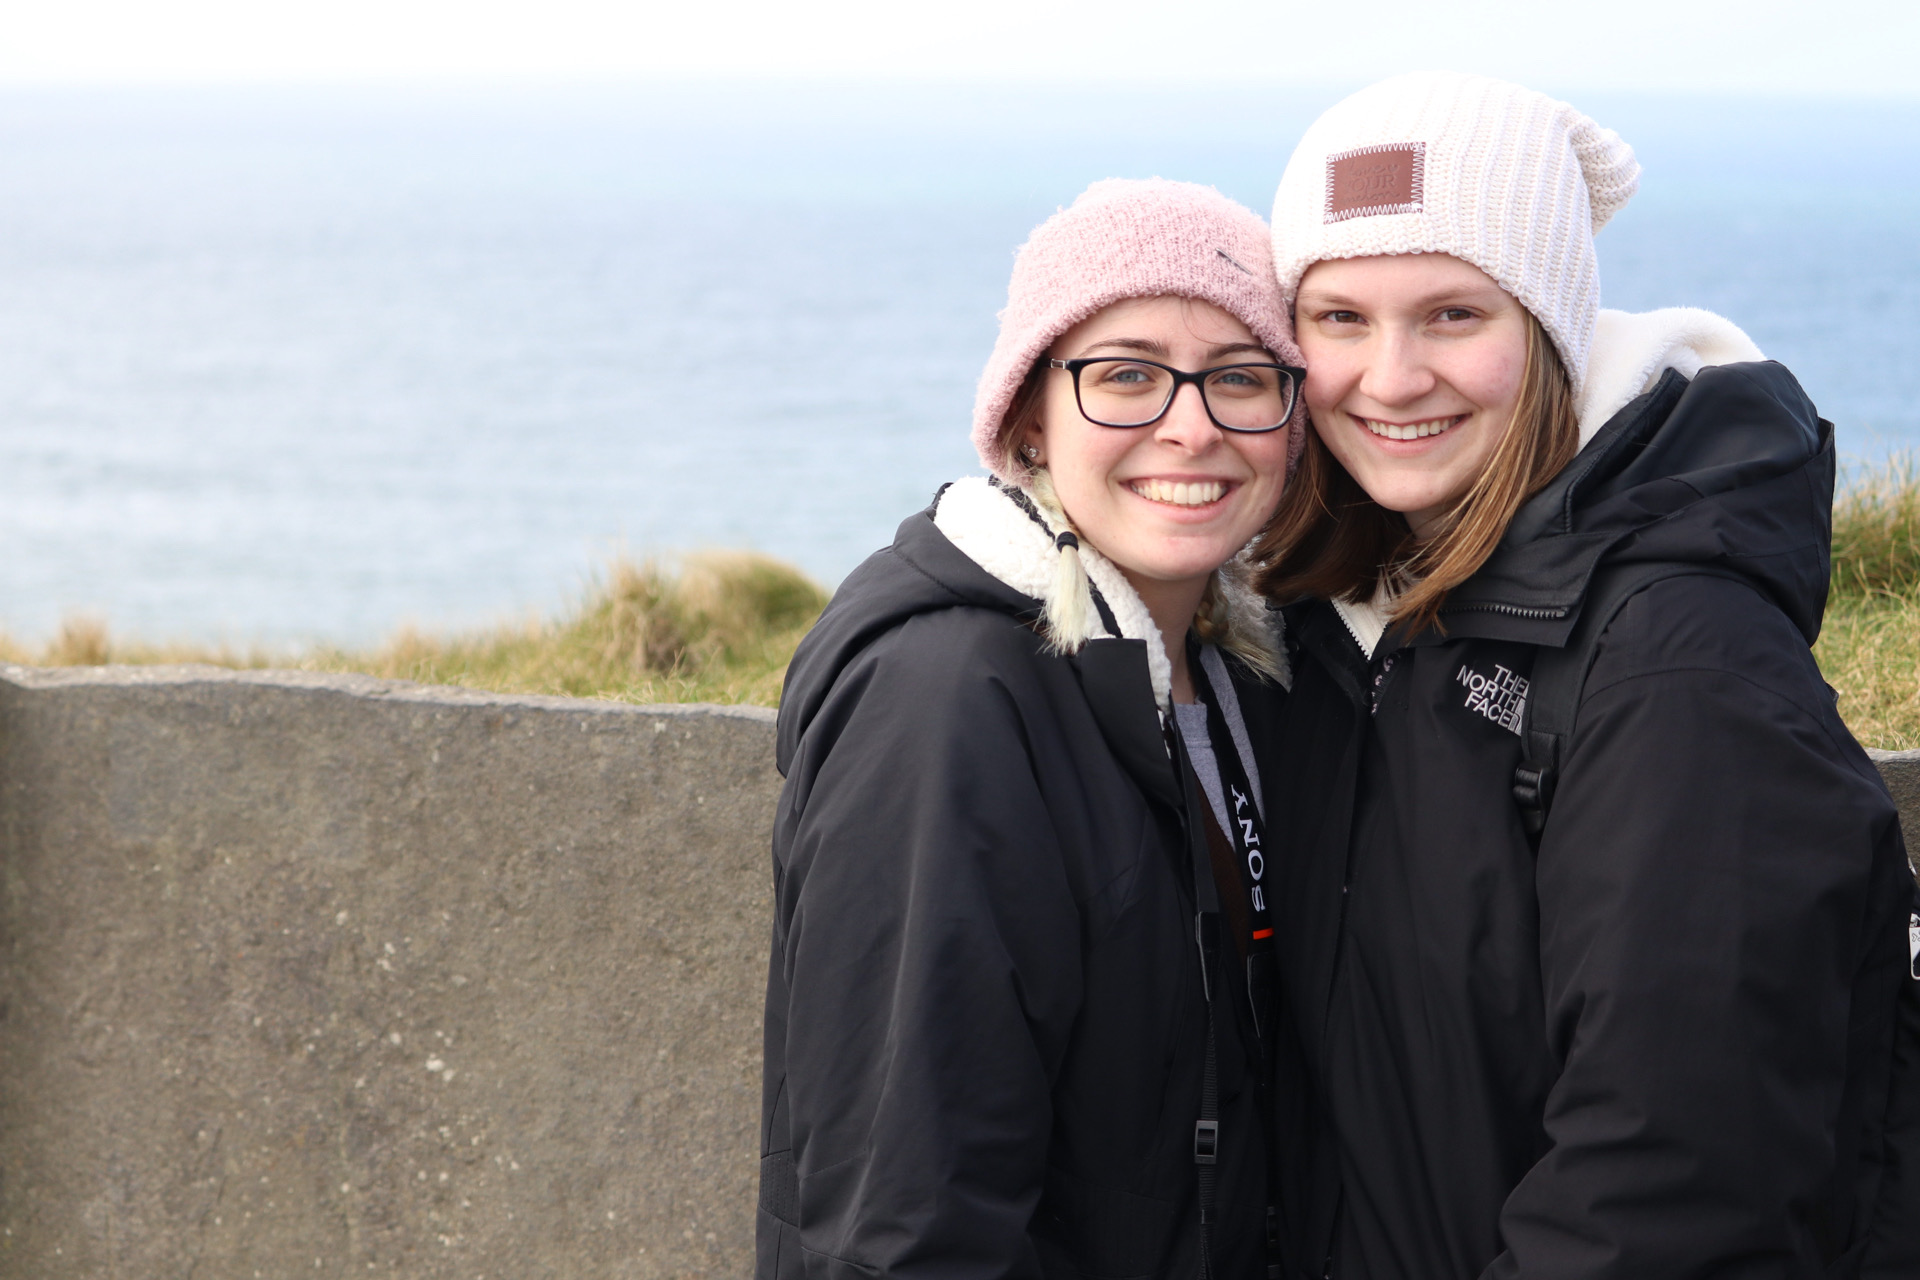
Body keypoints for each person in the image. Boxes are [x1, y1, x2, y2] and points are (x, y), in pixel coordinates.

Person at [1255, 72, 1920, 1279]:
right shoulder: (1331, 616)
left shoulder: (1678, 659)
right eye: (1339, 318)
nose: (1391, 378)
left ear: (1553, 324)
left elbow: (1672, 1191)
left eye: (1455, 315)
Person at [757, 179, 1310, 1279]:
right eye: (1125, 377)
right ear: (1026, 420)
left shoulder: (1230, 667)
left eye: (1241, 378)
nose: (1190, 424)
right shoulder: (947, 701)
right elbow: (905, 1212)